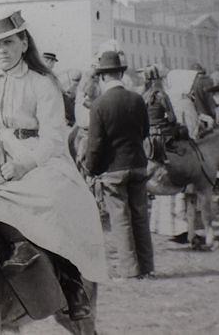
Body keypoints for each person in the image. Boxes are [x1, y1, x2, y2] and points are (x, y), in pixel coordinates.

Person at [0, 9, 108, 320]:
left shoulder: (42, 82)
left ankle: (68, 278)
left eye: (7, 42)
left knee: (55, 200)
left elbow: (53, 137)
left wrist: (25, 164)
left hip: (36, 151)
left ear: (23, 42)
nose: (1, 51)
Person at [85, 50, 153, 279]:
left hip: (113, 170)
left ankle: (129, 271)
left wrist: (91, 170)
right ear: (120, 74)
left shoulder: (99, 105)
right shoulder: (137, 99)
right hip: (138, 165)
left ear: (103, 77)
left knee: (121, 219)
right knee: (141, 217)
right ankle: (147, 268)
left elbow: (95, 145)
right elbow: (145, 131)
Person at [139, 64, 177, 164]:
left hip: (144, 133)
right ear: (157, 79)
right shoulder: (162, 95)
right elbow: (172, 118)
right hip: (161, 132)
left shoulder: (141, 96)